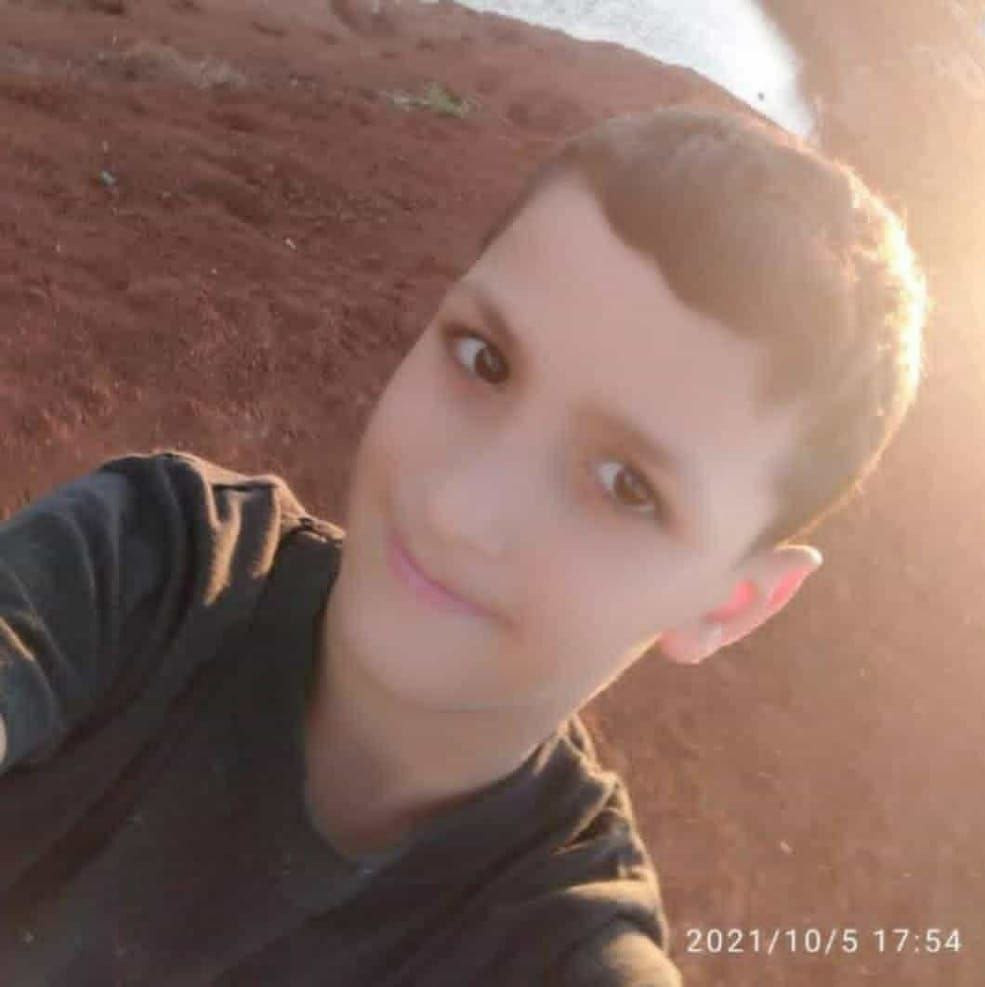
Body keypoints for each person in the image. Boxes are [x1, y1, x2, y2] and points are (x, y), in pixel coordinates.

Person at [0, 105, 926, 985]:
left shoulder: (560, 945)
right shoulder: (155, 564)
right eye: (485, 358)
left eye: (626, 486)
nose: (458, 508)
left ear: (730, 602)